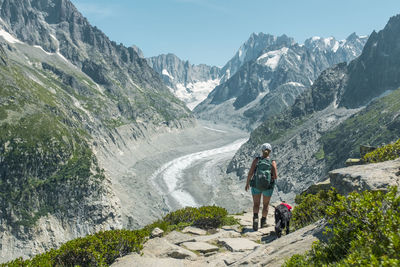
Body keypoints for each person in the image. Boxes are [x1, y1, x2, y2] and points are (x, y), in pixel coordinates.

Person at [245, 143, 277, 231]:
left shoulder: (257, 160)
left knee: (256, 204)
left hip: (256, 185)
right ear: (270, 151)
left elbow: (250, 173)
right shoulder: (272, 162)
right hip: (268, 187)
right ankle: (263, 222)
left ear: (262, 151)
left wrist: (247, 183)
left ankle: (255, 219)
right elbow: (275, 176)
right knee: (265, 205)